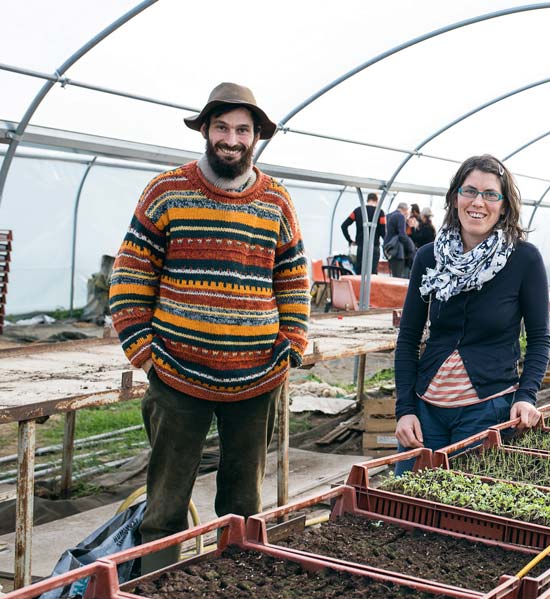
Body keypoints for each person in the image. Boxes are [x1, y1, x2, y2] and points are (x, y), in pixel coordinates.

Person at [107, 82, 309, 574]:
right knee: (165, 506)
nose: (232, 138)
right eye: (222, 127)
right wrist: (143, 348)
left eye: (243, 129)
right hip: (177, 374)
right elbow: (131, 271)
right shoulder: (167, 190)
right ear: (205, 130)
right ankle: (157, 582)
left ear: (256, 136)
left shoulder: (276, 200)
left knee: (242, 504)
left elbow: (293, 277)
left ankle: (231, 582)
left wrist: (291, 345)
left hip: (256, 377)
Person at [394, 155, 549, 470]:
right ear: (455, 198)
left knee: (462, 510)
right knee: (409, 506)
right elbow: (409, 338)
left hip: (486, 410)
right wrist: (405, 409)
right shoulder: (428, 258)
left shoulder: (523, 259)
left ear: (504, 206)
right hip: (426, 412)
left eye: (490, 194)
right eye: (470, 191)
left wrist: (526, 395)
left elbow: (539, 338)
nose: (479, 202)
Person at [341, 192, 387, 275]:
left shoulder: (358, 210)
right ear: (377, 201)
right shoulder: (380, 212)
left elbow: (344, 226)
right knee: (372, 274)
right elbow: (383, 233)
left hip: (361, 247)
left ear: (367, 200)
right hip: (374, 247)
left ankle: (359, 288)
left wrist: (350, 240)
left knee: (360, 273)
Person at [384, 201, 415, 278]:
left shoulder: (388, 216)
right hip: (397, 250)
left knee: (393, 274)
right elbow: (402, 235)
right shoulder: (400, 216)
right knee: (398, 277)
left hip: (389, 248)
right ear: (405, 210)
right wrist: (410, 246)